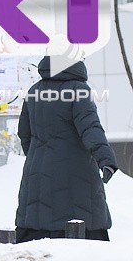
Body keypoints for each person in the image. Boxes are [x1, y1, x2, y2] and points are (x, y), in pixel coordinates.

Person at [15, 56, 118, 243]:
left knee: (35, 238)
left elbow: (24, 134)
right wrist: (106, 159)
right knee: (81, 235)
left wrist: (39, 157)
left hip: (37, 174)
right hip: (76, 173)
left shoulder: (34, 91)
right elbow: (90, 128)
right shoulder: (78, 91)